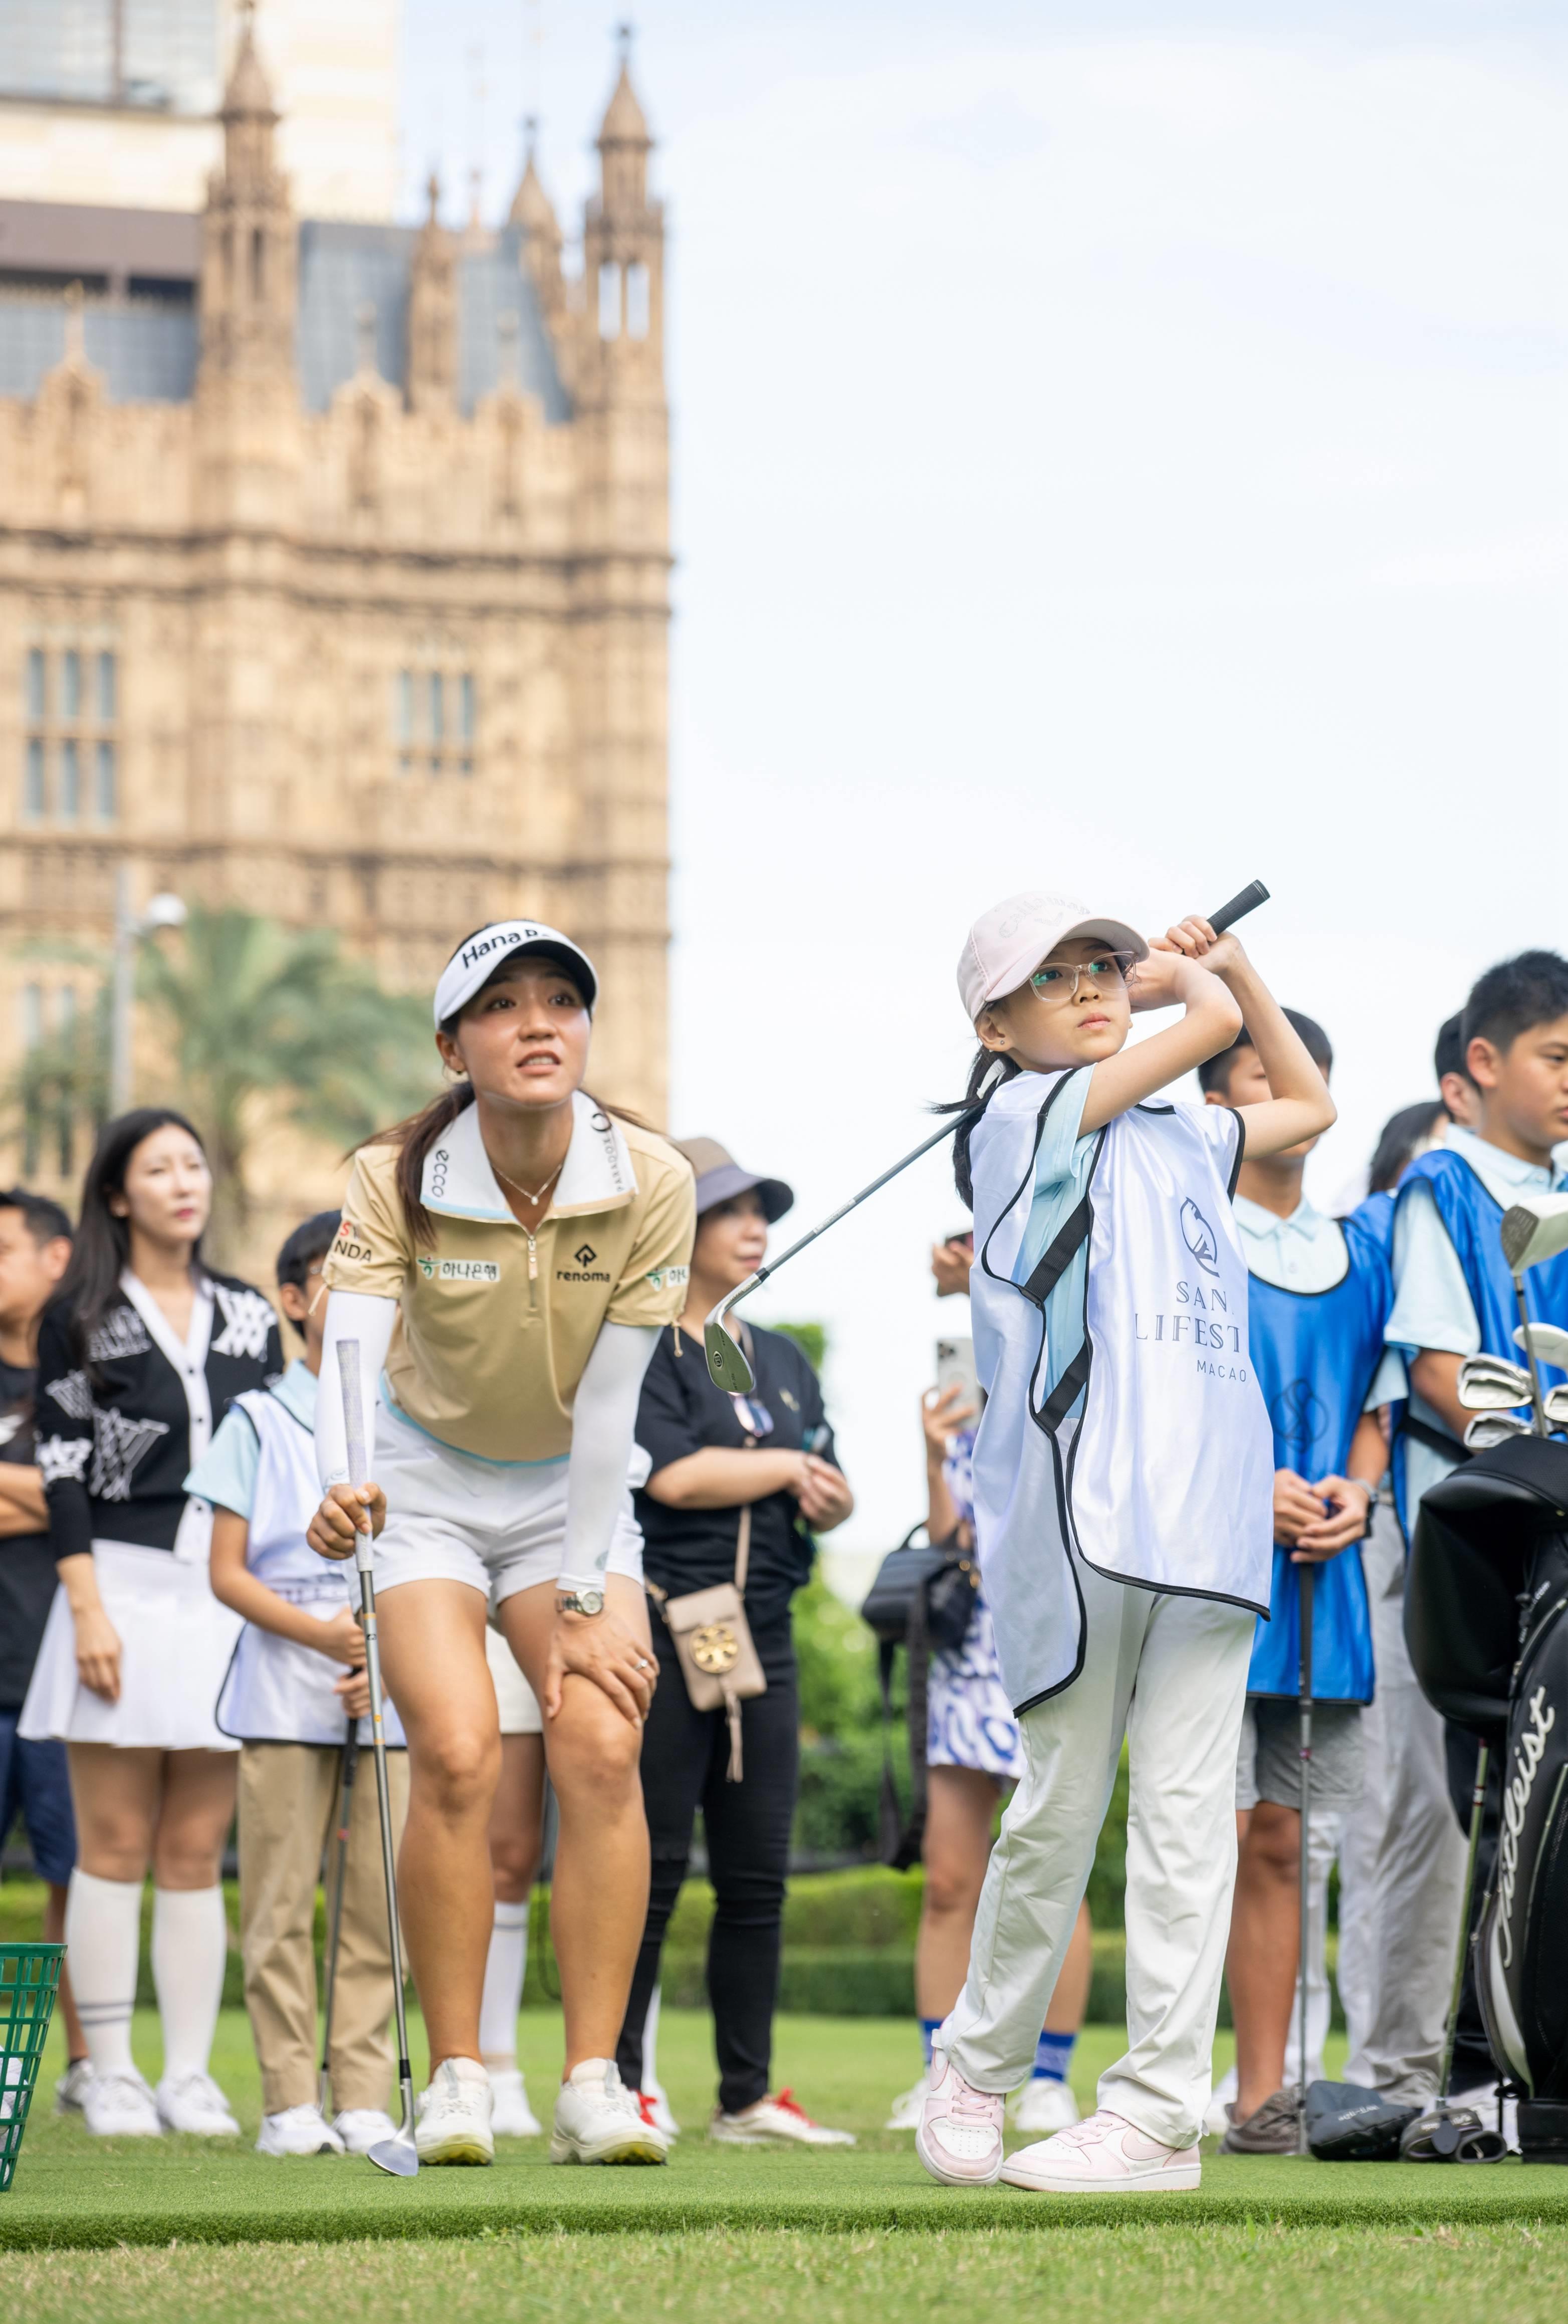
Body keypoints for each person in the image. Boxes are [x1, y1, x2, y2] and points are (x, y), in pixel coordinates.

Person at [916, 893, 1334, 2197]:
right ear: (994, 1024)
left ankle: (1158, 2113)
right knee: (1057, 1808)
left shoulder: (1180, 1130)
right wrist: (1174, 978)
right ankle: (977, 2065)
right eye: (1058, 978)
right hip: (1087, 1512)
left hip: (1210, 1520)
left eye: (1103, 965)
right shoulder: (1018, 1117)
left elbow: (1308, 1104)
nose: (1095, 987)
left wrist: (1238, 963)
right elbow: (1201, 1022)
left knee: (1188, 1823)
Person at [307, 920, 695, 2168]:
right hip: (419, 1484)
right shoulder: (393, 1171)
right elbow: (351, 1351)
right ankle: (459, 2078)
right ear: (454, 1042)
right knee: (463, 1752)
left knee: (599, 1735)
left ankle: (594, 2084)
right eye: (504, 1005)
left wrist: (586, 1586)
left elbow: (614, 1404)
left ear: (587, 1030)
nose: (539, 1024)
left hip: (566, 1492)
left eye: (562, 1003)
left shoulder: (651, 1176)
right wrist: (342, 1484)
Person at [20, 1109, 282, 2138]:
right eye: (159, 1167)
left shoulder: (251, 1314)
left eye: (194, 1164)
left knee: (191, 1849)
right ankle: (112, 2070)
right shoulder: (77, 1315)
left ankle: (185, 2071)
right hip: (117, 1584)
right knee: (113, 1842)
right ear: (118, 1194)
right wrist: (85, 1604)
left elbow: (273, 1459)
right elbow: (63, 1467)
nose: (185, 1182)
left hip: (222, 1591)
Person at [613, 1138, 855, 2145]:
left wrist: (827, 1494)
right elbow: (670, 1477)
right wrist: (785, 1467)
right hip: (673, 1618)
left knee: (756, 1874)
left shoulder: (781, 1356)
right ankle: (615, 2078)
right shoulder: (643, 1347)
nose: (754, 1225)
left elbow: (823, 1483)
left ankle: (744, 2095)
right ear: (681, 1227)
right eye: (730, 1209)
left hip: (766, 1630)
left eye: (762, 1208)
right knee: (655, 1864)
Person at [1194, 1014, 1394, 2153]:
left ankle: (1264, 2094)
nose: (1281, 1092)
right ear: (1219, 1105)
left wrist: (1361, 1493)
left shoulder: (1360, 1250)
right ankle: (1163, 2082)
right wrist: (1244, 1483)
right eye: (1254, 1072)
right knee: (1198, 1829)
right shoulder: (1193, 1233)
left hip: (1325, 1574)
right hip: (1213, 1573)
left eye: (1296, 1072)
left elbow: (1379, 1403)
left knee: (1283, 1840)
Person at [1371, 952, 1568, 2105]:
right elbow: (1444, 1374)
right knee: (1448, 1816)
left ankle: (1530, 2056)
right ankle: (1414, 2077)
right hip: (1475, 1545)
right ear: (1482, 1063)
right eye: (1555, 1057)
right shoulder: (1440, 1189)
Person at [195, 1210, 409, 2159]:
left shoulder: (410, 1418)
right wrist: (329, 1637)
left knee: (377, 1901)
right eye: (337, 1274)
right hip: (285, 1686)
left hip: (392, 1686)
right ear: (293, 1298)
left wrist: (383, 1650)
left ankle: (362, 2092)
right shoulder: (258, 1416)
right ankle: (288, 2098)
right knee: (279, 1901)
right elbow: (229, 1572)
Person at [886, 1250, 1093, 2139]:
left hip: (1050, 1634)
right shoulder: (964, 1398)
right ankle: (943, 2070)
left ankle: (1047, 2075)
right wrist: (933, 1457)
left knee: (1056, 1859)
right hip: (966, 1655)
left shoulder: (1064, 1366)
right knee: (947, 1878)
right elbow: (946, 1540)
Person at [0, 1190, 89, 2114]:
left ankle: (83, 2066)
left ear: (57, 1258)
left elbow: (101, 1496)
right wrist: (53, 1491)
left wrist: (61, 1498)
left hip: (64, 1679)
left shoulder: (84, 1373)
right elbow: (71, 1493)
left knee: (80, 1877)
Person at [477, 1623, 547, 2136]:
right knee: (507, 1855)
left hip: (586, 1601)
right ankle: (494, 2066)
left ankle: (632, 2077)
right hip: (488, 1610)